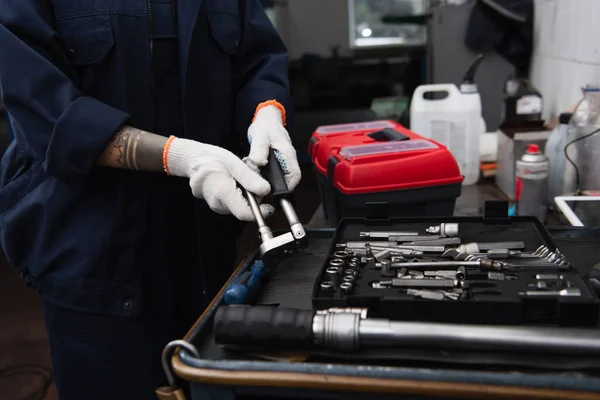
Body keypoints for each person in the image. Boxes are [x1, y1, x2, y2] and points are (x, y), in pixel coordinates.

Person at [0, 1, 301, 399]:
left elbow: (258, 58)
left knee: (207, 381)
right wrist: (181, 158)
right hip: (93, 254)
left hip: (203, 249)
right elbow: (48, 112)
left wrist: (267, 112)